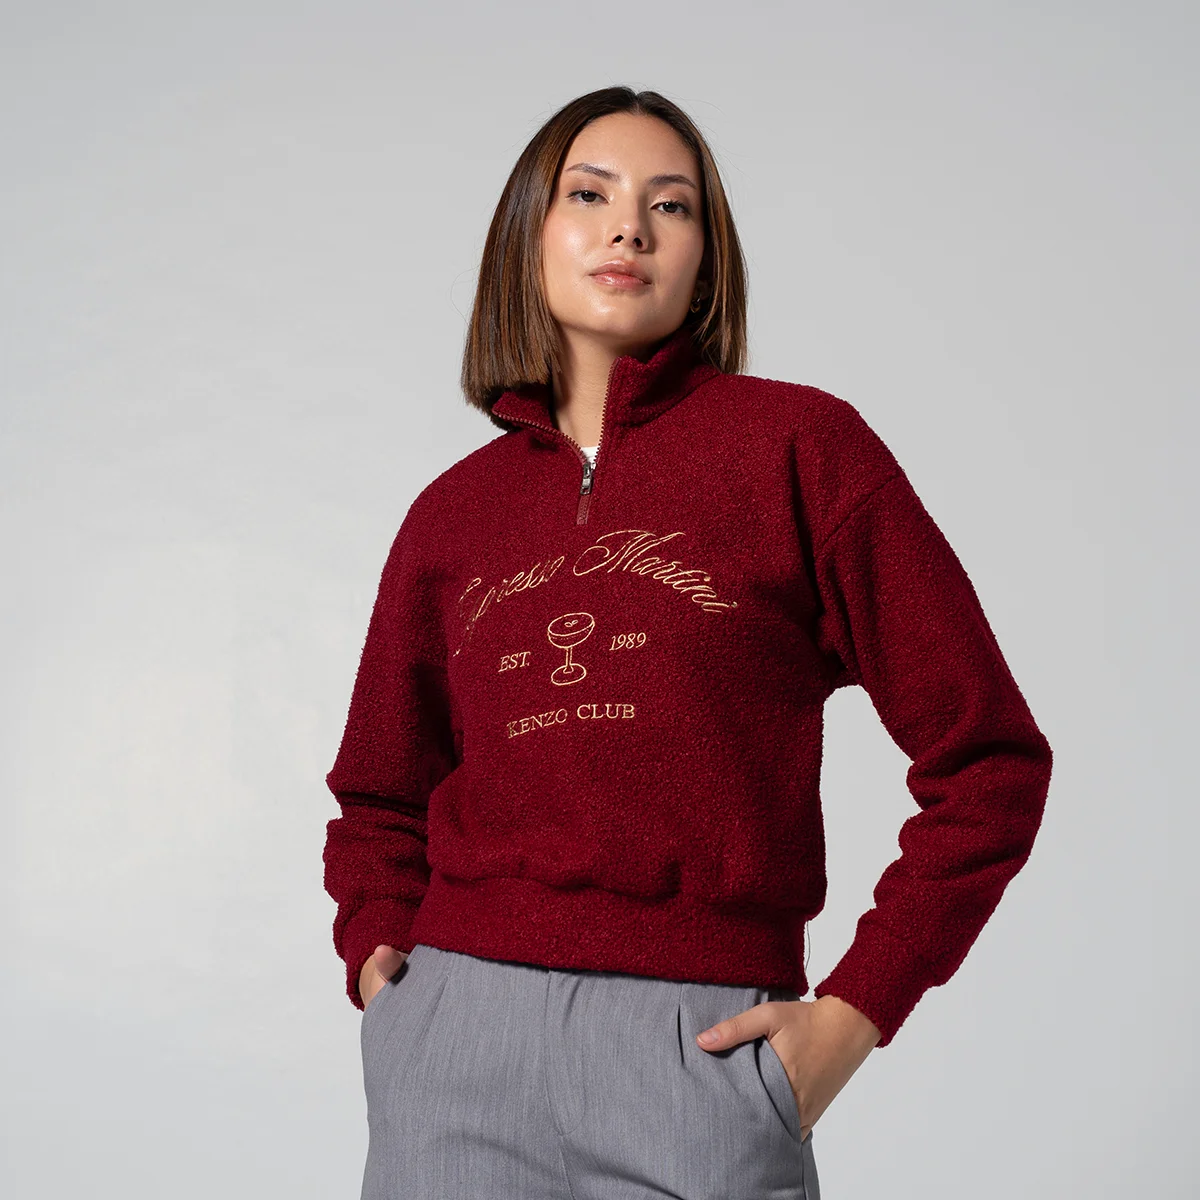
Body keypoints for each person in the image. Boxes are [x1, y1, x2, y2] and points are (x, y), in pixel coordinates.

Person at [322, 85, 1053, 1200]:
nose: (629, 228)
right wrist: (385, 968)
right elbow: (381, 790)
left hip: (698, 1051)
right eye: (590, 195)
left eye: (671, 205)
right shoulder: (450, 515)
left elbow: (989, 764)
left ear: (707, 260)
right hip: (455, 1046)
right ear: (528, 234)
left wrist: (855, 1013)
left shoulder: (799, 449)